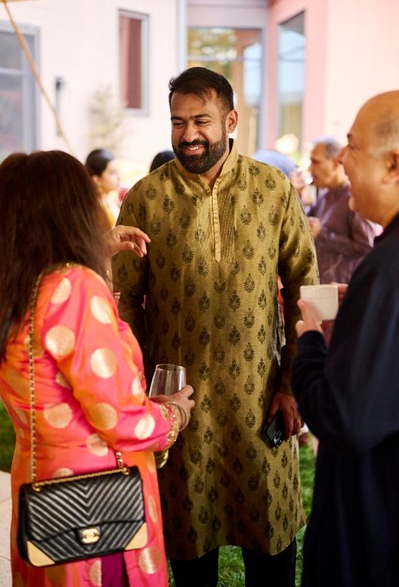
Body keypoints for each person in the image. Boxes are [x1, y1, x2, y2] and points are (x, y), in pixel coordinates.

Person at [112, 66, 319, 587]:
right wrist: (142, 393)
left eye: (200, 121)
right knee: (189, 552)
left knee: (271, 552)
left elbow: (303, 288)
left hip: (260, 399)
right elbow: (126, 305)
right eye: (178, 122)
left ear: (229, 121)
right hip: (181, 410)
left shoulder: (273, 189)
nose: (188, 134)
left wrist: (292, 384)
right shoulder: (145, 197)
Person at [0, 150, 194, 587]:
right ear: (69, 210)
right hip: (97, 507)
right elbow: (121, 420)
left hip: (42, 491)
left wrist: (95, 255)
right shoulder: (74, 288)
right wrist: (173, 413)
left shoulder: (16, 284)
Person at [292, 91, 399, 587]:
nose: (340, 160)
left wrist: (309, 339)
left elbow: (344, 418)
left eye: (351, 148)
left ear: (392, 165)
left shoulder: (388, 269)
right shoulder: (379, 274)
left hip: (371, 526)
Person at [305, 136, 377, 284]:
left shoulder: (354, 197)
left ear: (336, 162)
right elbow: (301, 224)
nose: (310, 169)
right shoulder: (325, 195)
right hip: (322, 288)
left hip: (344, 292)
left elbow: (367, 247)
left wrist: (323, 234)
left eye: (316, 162)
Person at [85, 148, 121, 228]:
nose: (119, 177)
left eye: (117, 171)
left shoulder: (110, 199)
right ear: (97, 179)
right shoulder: (94, 210)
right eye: (112, 173)